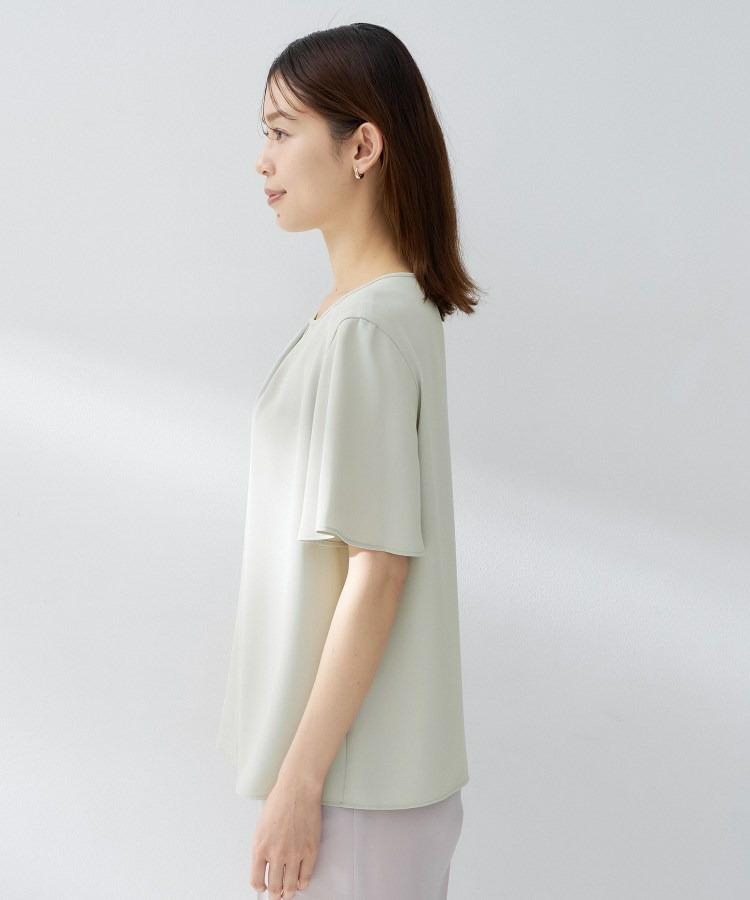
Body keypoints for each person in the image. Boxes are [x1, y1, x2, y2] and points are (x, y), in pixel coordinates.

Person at [215, 22, 485, 900]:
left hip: (353, 793)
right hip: (361, 785)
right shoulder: (374, 312)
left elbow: (378, 570)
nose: (262, 160)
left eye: (280, 131)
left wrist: (299, 786)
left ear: (362, 146)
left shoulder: (366, 327)